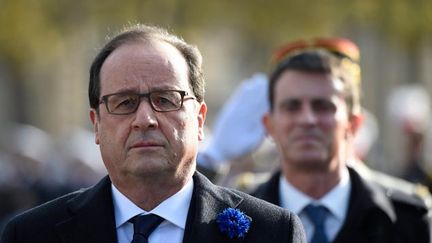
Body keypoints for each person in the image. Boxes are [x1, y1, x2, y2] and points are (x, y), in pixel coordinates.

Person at [0, 24, 306, 243]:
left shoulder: (272, 231)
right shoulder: (31, 234)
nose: (144, 119)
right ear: (96, 124)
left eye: (165, 99)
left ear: (199, 120)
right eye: (124, 102)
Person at [252, 38, 431, 243]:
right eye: (292, 106)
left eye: (323, 106)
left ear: (354, 124)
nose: (307, 120)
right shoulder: (236, 216)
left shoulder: (409, 220)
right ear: (269, 124)